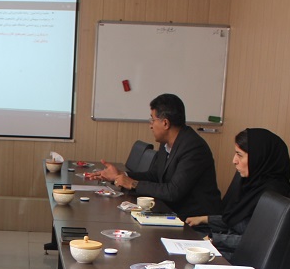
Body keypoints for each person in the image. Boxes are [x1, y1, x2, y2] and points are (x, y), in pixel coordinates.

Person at [88, 93, 221, 220]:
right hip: (170, 211)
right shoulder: (166, 143)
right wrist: (121, 175)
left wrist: (133, 183)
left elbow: (173, 191)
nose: (150, 125)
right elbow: (155, 176)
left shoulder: (193, 147)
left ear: (165, 123)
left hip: (193, 220)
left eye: (152, 119)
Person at [185, 128, 290, 257]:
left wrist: (213, 239)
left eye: (240, 155)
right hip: (229, 246)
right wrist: (204, 219)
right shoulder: (254, 184)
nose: (234, 160)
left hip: (241, 257)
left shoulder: (272, 195)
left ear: (258, 158)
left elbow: (256, 241)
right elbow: (235, 219)